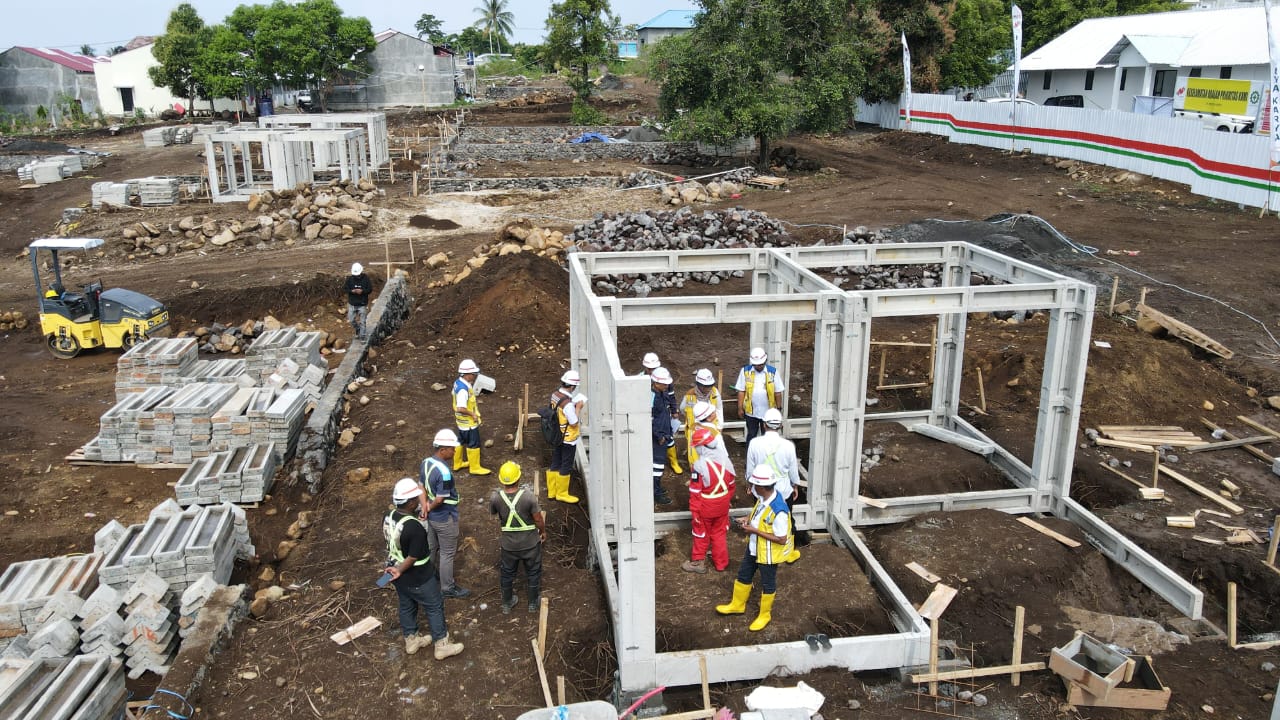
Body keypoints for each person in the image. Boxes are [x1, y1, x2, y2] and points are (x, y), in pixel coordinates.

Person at [381, 477, 464, 659]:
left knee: (406, 605)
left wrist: (397, 571)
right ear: (411, 503)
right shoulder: (414, 527)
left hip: (398, 576)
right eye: (416, 499)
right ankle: (441, 644)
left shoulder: (389, 516)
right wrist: (401, 569)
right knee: (434, 606)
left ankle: (411, 640)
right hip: (418, 576)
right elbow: (413, 556)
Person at [715, 467, 793, 632]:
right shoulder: (764, 498)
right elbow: (759, 514)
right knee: (743, 575)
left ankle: (765, 615)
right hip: (754, 548)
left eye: (754, 485)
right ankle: (737, 605)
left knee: (768, 583)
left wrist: (754, 530)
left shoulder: (779, 511)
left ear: (763, 487)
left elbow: (781, 539)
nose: (752, 487)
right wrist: (747, 519)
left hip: (768, 555)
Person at [745, 408, 802, 563]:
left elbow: (750, 468)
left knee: (759, 518)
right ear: (780, 425)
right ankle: (788, 553)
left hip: (761, 490)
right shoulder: (788, 445)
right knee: (786, 520)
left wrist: (750, 484)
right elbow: (792, 470)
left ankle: (757, 546)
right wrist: (795, 485)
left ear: (764, 425)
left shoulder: (755, 443)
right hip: (783, 490)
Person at [420, 429, 471, 599]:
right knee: (447, 553)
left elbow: (421, 486)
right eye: (452, 448)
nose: (455, 451)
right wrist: (430, 506)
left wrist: (424, 507)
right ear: (442, 449)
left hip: (431, 518)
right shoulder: (445, 473)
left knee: (432, 548)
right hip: (444, 517)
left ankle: (428, 576)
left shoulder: (426, 463)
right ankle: (447, 587)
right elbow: (440, 499)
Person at [490, 461, 546, 614]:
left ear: (501, 480)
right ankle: (533, 603)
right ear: (518, 478)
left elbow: (494, 512)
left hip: (509, 545)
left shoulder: (495, 498)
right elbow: (538, 519)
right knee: (533, 572)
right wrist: (543, 532)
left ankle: (507, 603)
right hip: (530, 544)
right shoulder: (528, 497)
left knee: (507, 573)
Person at [683, 428, 736, 574]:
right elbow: (731, 486)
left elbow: (695, 492)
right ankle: (721, 563)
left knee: (700, 533)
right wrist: (726, 500)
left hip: (705, 506)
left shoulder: (699, 466)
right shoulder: (726, 461)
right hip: (723, 504)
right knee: (719, 534)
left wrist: (695, 511)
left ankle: (698, 562)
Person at [641, 352, 683, 475]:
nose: (652, 371)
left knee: (668, 438)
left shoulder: (663, 377)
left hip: (663, 415)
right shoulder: (641, 379)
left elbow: (671, 395)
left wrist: (674, 410)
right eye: (650, 369)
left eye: (654, 369)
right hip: (649, 415)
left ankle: (673, 462)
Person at [733, 347, 784, 446]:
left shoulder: (772, 372)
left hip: (768, 412)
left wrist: (778, 408)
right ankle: (750, 456)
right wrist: (740, 408)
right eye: (756, 365)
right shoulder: (745, 371)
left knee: (767, 436)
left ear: (765, 361)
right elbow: (741, 391)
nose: (759, 367)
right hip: (751, 412)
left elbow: (778, 392)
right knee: (752, 435)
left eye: (761, 364)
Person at [546, 371, 581, 504]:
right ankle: (562, 493)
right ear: (572, 387)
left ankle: (552, 491)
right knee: (566, 464)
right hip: (568, 438)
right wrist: (578, 407)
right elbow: (574, 422)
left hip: (557, 435)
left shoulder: (555, 395)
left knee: (556, 461)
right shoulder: (568, 404)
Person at [453, 359, 491, 476]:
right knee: (474, 443)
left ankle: (457, 463)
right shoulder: (463, 390)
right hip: (468, 423)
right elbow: (461, 408)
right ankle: (475, 467)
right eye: (473, 374)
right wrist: (473, 414)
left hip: (461, 423)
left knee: (460, 441)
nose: (474, 376)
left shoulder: (459, 383)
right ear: (467, 374)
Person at [650, 367, 675, 505]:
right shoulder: (652, 396)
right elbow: (650, 418)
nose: (667, 386)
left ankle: (657, 487)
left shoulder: (662, 393)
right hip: (657, 436)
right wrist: (659, 435)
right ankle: (655, 492)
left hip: (664, 433)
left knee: (659, 464)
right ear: (656, 383)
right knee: (657, 465)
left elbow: (665, 414)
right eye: (664, 384)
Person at [344, 263, 373, 341]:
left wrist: (362, 291)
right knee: (351, 319)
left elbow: (370, 289)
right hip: (352, 304)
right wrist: (352, 291)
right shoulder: (350, 279)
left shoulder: (365, 278)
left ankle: (362, 336)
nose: (357, 276)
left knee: (362, 321)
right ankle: (358, 329)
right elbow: (345, 289)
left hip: (362, 304)